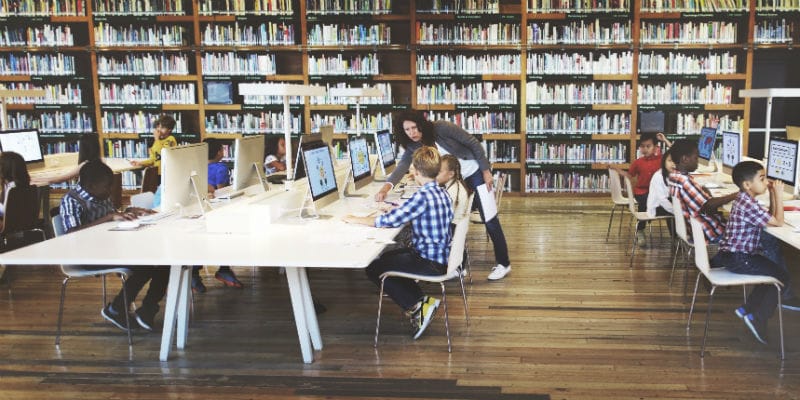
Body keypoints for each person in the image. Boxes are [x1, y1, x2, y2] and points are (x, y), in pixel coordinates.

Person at [374, 110, 511, 281]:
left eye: (415, 128)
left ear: (421, 124)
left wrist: (485, 171)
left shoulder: (441, 128)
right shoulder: (413, 145)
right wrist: (386, 188)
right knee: (451, 218)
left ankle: (504, 264)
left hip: (473, 172)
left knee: (489, 218)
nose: (412, 133)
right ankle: (457, 264)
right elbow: (402, 165)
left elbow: (473, 143)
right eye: (407, 130)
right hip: (452, 179)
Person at [345, 146, 453, 340]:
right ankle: (421, 301)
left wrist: (355, 219)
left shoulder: (423, 196)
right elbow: (412, 212)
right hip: (441, 256)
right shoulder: (440, 191)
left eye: (412, 169)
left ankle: (417, 306)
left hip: (429, 261)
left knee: (373, 267)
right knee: (386, 258)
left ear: (418, 172)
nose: (410, 171)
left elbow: (386, 222)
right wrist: (394, 209)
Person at [59, 160, 168, 332]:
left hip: (111, 247)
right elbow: (73, 234)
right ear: (90, 185)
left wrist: (129, 212)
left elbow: (111, 217)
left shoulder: (100, 196)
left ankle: (148, 309)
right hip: (86, 254)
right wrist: (109, 217)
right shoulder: (71, 200)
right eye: (106, 187)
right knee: (145, 265)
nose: (109, 191)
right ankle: (116, 309)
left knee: (165, 260)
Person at [709, 161, 800, 344]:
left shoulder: (745, 199)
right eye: (762, 178)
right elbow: (779, 222)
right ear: (747, 185)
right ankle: (757, 317)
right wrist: (780, 195)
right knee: (782, 277)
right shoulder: (748, 205)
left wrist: (774, 194)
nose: (767, 182)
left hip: (734, 255)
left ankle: (747, 309)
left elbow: (771, 217)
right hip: (739, 258)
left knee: (773, 272)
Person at [192, 139, 243, 292]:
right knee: (229, 231)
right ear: (219, 152)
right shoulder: (221, 168)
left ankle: (193, 275)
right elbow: (222, 191)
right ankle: (224, 269)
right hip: (217, 210)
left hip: (199, 210)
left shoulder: (196, 169)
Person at [668, 139, 736, 243]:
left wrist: (702, 190)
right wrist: (736, 195)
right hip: (710, 232)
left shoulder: (674, 176)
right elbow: (708, 205)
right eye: (695, 158)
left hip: (693, 230)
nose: (697, 161)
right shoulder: (685, 182)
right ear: (685, 159)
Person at [611, 132, 671, 246]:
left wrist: (665, 140)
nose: (645, 149)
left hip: (659, 192)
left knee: (670, 202)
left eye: (648, 146)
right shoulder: (638, 162)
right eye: (642, 146)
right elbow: (630, 175)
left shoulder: (662, 160)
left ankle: (675, 235)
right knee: (645, 201)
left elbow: (675, 153)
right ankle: (640, 230)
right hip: (642, 192)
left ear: (655, 147)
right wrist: (618, 170)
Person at [32, 133, 103, 186]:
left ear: (83, 149)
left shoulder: (85, 165)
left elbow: (59, 179)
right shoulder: (101, 162)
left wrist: (37, 179)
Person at [0, 151, 31, 229]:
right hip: (22, 225)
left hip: (7, 225)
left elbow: (6, 213)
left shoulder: (11, 190)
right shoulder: (23, 185)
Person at [437, 154, 470, 221]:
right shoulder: (455, 185)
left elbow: (441, 217)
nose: (435, 174)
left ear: (451, 174)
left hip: (450, 227)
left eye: (439, 171)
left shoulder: (452, 192)